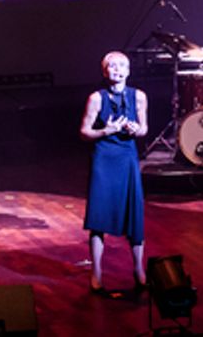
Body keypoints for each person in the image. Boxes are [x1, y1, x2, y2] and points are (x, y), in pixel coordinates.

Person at [79, 51, 148, 293]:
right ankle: (96, 271)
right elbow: (85, 131)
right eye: (112, 66)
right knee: (99, 215)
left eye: (122, 66)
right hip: (104, 157)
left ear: (129, 71)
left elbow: (144, 130)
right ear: (104, 71)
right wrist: (106, 131)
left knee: (134, 213)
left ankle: (139, 268)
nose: (117, 69)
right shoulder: (96, 99)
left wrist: (135, 128)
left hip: (127, 156)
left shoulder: (138, 96)